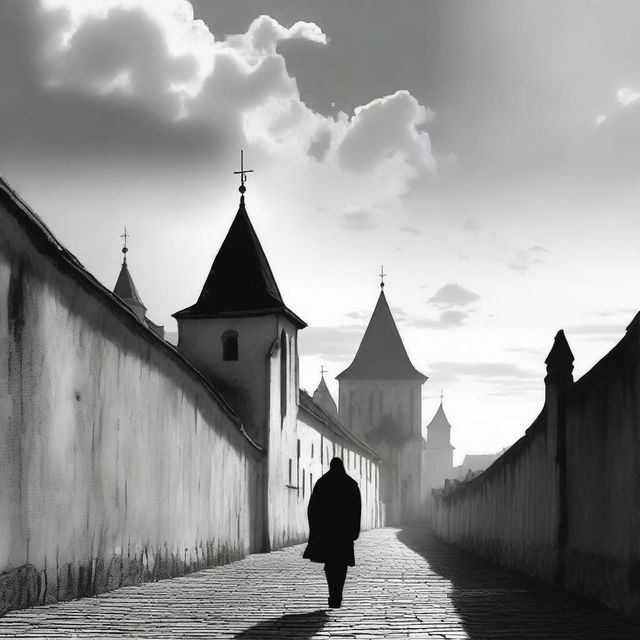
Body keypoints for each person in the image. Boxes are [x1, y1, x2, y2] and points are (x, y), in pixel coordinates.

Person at [303, 457, 362, 609]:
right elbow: (356, 511)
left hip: (327, 533)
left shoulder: (322, 483)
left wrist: (315, 530)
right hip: (344, 534)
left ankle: (332, 594)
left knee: (330, 565)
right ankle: (338, 595)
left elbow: (312, 509)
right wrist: (354, 531)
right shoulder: (351, 484)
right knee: (341, 566)